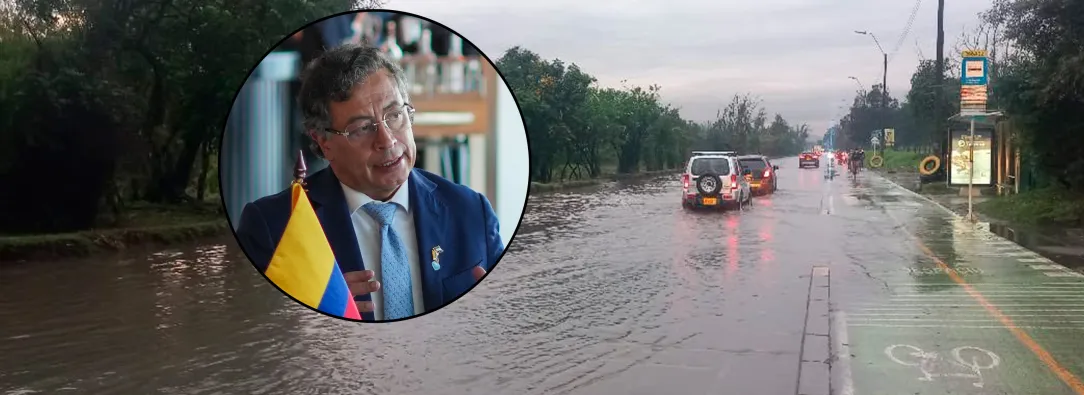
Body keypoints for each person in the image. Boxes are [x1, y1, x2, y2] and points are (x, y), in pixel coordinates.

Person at [236, 43, 503, 321]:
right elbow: (251, 336)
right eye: (362, 128)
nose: (386, 141)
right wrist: (305, 311)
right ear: (323, 141)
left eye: (395, 115)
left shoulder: (472, 212)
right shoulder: (273, 227)